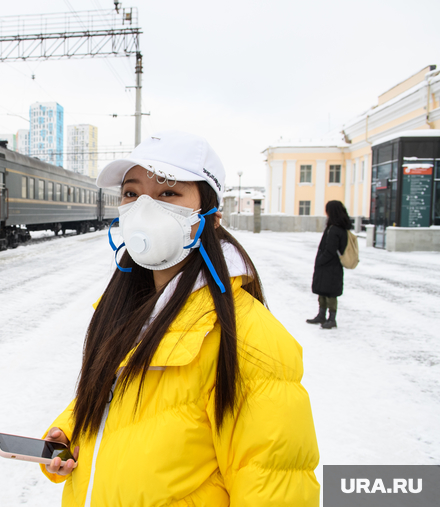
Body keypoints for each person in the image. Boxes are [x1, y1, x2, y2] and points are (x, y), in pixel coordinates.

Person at [40, 131, 319, 506]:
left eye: (168, 193)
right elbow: (130, 402)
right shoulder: (124, 308)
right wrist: (71, 430)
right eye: (131, 194)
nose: (143, 208)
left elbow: (274, 482)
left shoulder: (248, 336)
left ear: (212, 216)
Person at [306, 200, 352, 329]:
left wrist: (320, 260)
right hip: (331, 266)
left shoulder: (335, 229)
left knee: (330, 293)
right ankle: (322, 315)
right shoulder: (340, 227)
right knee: (323, 290)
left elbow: (330, 249)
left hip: (330, 266)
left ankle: (331, 319)